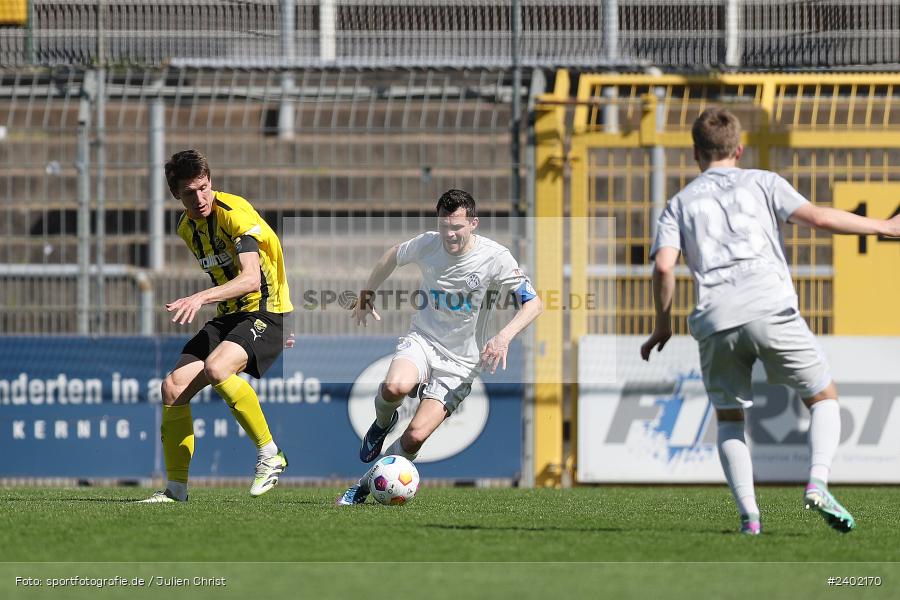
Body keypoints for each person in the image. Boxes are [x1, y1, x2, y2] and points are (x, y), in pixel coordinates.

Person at [641, 107, 900, 534]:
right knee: (823, 397)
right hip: (769, 306)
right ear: (739, 149)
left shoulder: (678, 204)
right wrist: (885, 227)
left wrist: (663, 324)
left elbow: (665, 268)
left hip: (716, 318)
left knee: (728, 419)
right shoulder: (763, 182)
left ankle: (750, 519)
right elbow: (818, 218)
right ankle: (817, 481)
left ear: (694, 153)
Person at [336, 189, 543, 505]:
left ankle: (362, 487)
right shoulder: (428, 243)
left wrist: (504, 337)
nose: (450, 234)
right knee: (394, 387)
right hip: (423, 339)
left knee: (415, 437)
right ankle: (381, 424)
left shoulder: (496, 257)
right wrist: (367, 292)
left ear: (473, 223)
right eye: (445, 226)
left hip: (461, 362)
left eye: (457, 227)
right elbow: (392, 255)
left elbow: (534, 304)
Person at [139, 150, 293, 503]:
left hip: (264, 310)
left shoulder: (233, 214)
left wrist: (199, 299)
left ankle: (271, 455)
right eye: (190, 192)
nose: (200, 198)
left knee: (217, 368)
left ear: (211, 182)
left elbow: (252, 278)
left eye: (204, 187)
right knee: (173, 388)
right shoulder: (186, 228)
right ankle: (175, 490)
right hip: (231, 314)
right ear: (176, 194)